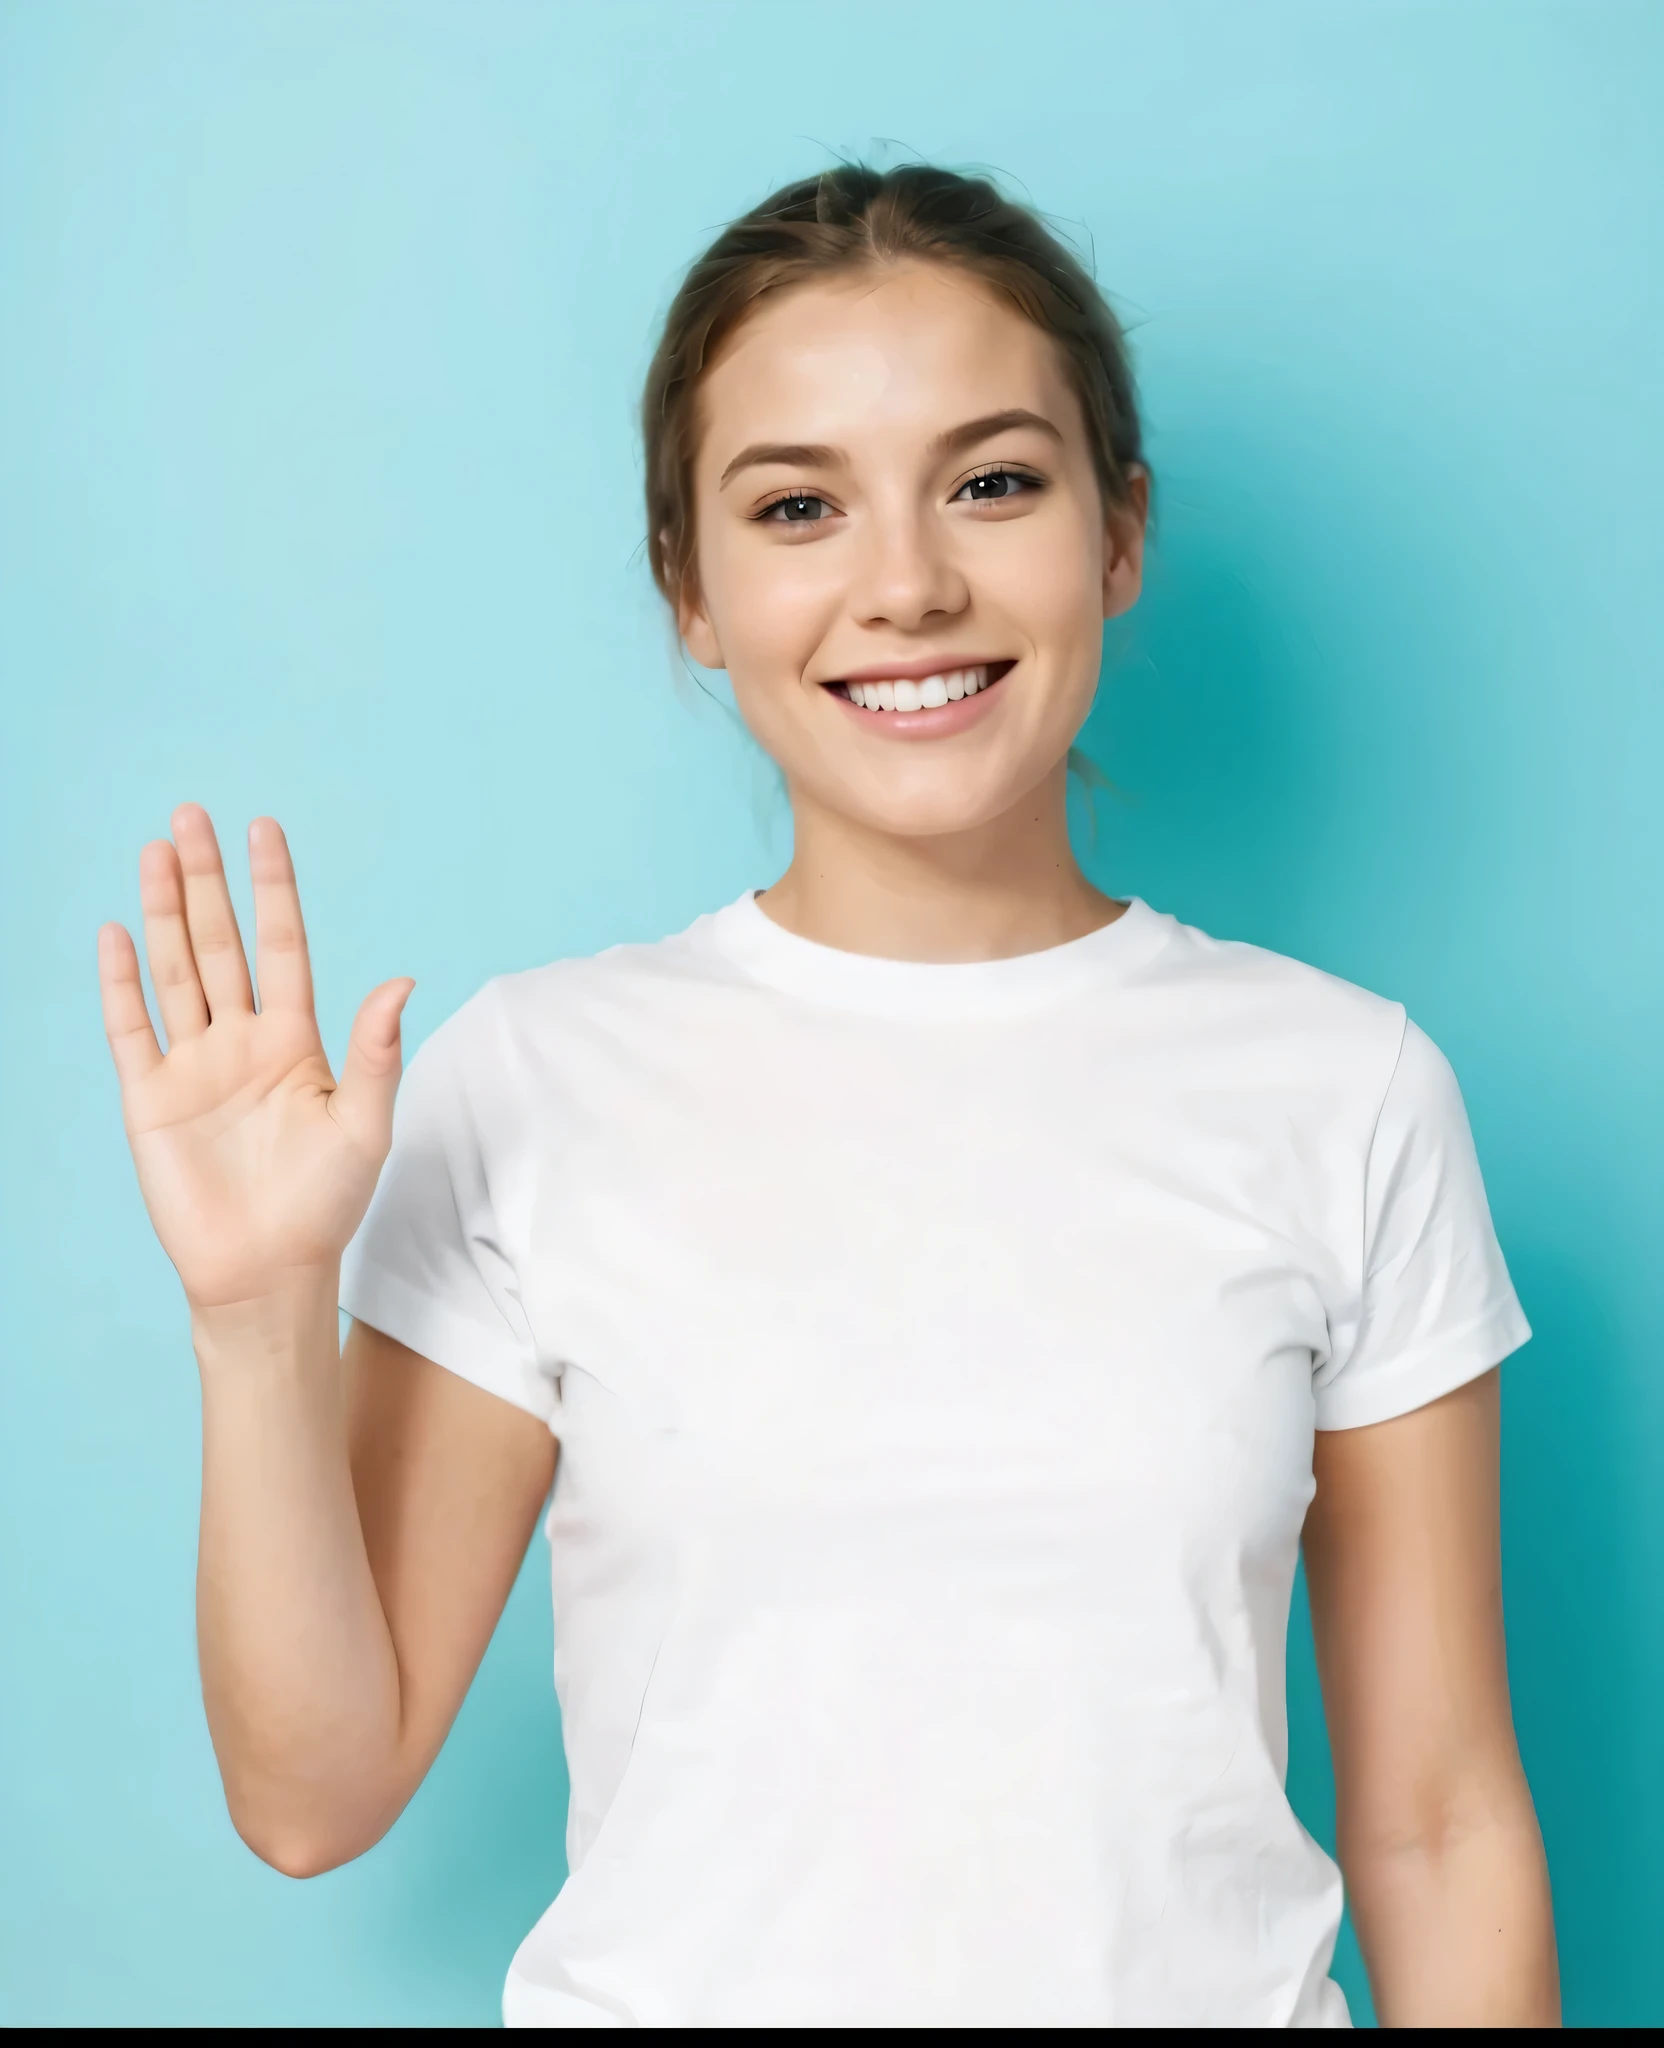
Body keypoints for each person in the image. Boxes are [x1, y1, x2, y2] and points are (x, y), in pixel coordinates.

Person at [97, 164, 1558, 2027]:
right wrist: (252, 1320)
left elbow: (1437, 1821)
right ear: (690, 592)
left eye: (994, 482)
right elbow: (313, 1795)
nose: (907, 584)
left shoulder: (1349, 1090)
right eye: (798, 506)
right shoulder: (535, 1079)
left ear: (1120, 535)